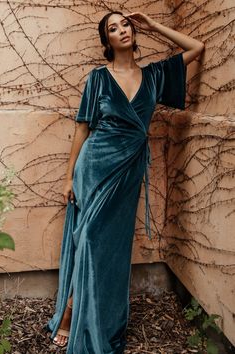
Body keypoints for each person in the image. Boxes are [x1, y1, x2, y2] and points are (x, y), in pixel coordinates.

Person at [46, 10, 204, 353]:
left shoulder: (155, 76)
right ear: (107, 41)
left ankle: (97, 316)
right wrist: (69, 175)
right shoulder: (98, 78)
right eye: (112, 28)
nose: (122, 30)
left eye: (126, 24)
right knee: (87, 239)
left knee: (110, 251)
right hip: (94, 167)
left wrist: (154, 25)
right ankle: (71, 312)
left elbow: (198, 47)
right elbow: (83, 127)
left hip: (128, 171)